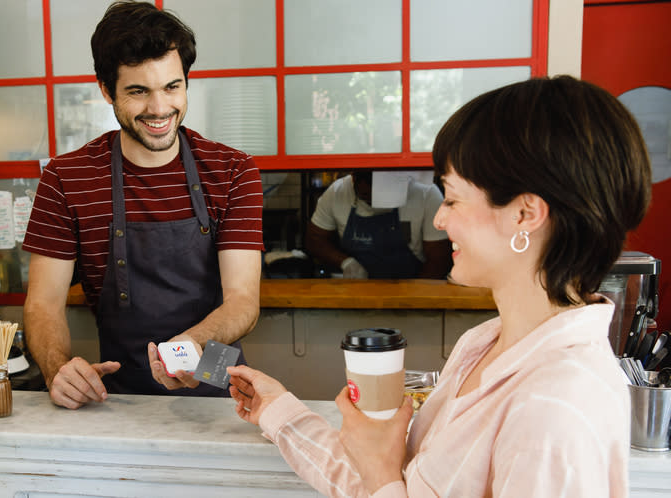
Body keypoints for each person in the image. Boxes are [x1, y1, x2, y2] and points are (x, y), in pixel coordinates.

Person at [228, 75, 651, 497]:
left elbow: (384, 482)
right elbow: (391, 485)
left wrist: (380, 472)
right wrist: (280, 411)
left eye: (451, 197)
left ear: (525, 214)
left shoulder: (556, 407)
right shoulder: (483, 345)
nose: (439, 220)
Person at [22, 1, 263, 408]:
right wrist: (57, 369)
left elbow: (242, 299)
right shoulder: (66, 179)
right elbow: (43, 304)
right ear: (105, 90)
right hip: (118, 392)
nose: (159, 109)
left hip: (219, 385)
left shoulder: (232, 171)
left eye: (172, 87)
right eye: (138, 91)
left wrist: (191, 344)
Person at [305, 170, 451, 279]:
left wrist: (415, 297)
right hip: (358, 296)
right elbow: (315, 239)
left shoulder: (426, 194)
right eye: (364, 197)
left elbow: (439, 260)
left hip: (412, 291)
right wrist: (347, 263)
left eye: (374, 193)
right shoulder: (337, 193)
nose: (365, 190)